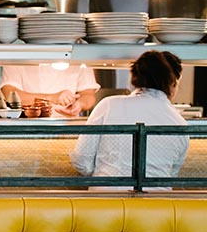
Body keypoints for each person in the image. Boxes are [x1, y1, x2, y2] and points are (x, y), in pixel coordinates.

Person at [70, 50, 188, 187]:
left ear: (135, 77)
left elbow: (82, 162)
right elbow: (171, 175)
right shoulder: (180, 123)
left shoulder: (109, 105)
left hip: (108, 203)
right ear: (172, 83)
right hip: (158, 205)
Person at [0, 63, 99, 117]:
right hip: (28, 128)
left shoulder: (79, 50)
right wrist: (51, 98)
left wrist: (79, 105)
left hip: (66, 130)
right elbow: (9, 94)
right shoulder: (19, 52)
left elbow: (88, 94)